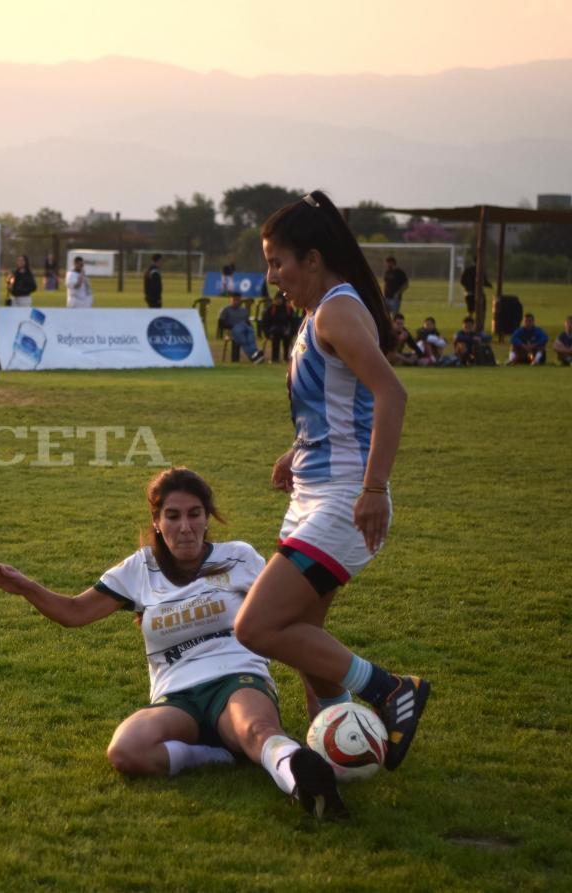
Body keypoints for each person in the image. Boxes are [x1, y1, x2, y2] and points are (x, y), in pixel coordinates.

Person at [0, 467, 347, 819]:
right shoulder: (139, 569)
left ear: (207, 517)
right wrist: (25, 586)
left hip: (237, 678)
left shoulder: (239, 557)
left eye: (194, 514)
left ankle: (303, 782)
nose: (185, 527)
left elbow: (290, 625)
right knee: (126, 751)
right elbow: (74, 612)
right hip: (177, 696)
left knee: (256, 730)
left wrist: (316, 696)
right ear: (157, 521)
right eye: (172, 516)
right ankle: (219, 755)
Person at [234, 190, 430, 774]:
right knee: (303, 641)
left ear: (313, 259)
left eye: (278, 262)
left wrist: (374, 489)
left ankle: (393, 690)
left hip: (345, 500)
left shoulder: (338, 311)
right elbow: (336, 409)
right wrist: (295, 451)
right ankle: (342, 749)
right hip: (314, 493)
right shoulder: (318, 315)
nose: (272, 277)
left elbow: (390, 394)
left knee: (259, 625)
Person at [218, 293, 266, 363]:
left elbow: (247, 322)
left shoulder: (244, 310)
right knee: (244, 340)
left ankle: (255, 355)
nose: (236, 302)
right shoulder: (225, 310)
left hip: (245, 327)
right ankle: (254, 355)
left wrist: (250, 327)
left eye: (238, 300)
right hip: (233, 328)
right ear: (230, 300)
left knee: (251, 336)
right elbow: (221, 323)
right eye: (234, 300)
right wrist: (230, 327)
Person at [261, 291, 298, 362]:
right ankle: (275, 358)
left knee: (287, 339)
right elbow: (265, 323)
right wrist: (267, 333)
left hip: (286, 330)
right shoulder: (270, 309)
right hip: (274, 330)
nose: (278, 301)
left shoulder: (289, 309)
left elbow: (293, 322)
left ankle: (285, 357)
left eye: (280, 299)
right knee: (275, 338)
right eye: (276, 299)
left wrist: (291, 332)